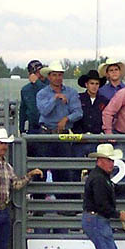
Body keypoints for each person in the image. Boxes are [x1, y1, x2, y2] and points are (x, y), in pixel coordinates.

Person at [35, 60, 83, 191]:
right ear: (49, 76)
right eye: (54, 75)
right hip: (45, 133)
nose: (57, 78)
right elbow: (44, 111)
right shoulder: (42, 94)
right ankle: (39, 204)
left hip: (63, 134)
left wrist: (66, 119)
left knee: (64, 169)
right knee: (41, 168)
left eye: (60, 75)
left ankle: (65, 204)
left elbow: (78, 112)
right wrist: (55, 98)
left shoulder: (71, 93)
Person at [73, 69, 109, 157]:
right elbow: (73, 117)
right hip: (79, 140)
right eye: (92, 83)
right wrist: (78, 134)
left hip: (97, 141)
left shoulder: (104, 101)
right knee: (77, 167)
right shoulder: (78, 98)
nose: (94, 86)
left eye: (97, 84)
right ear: (86, 85)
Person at [19, 59, 48, 135]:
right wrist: (21, 129)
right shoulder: (25, 90)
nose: (41, 74)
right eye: (37, 72)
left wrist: (37, 83)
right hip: (33, 128)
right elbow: (23, 110)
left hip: (49, 127)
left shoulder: (51, 84)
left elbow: (50, 93)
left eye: (41, 71)